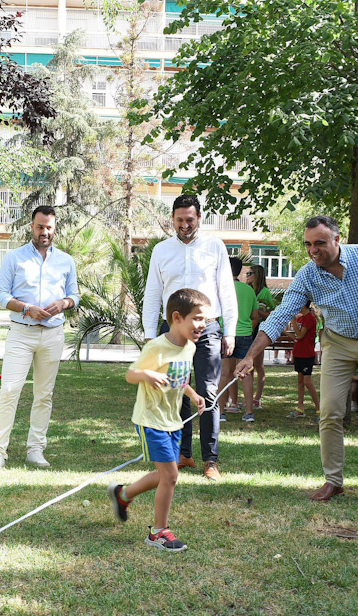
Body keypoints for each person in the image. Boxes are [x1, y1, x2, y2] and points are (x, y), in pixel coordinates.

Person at [234, 216, 358, 512]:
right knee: (329, 413)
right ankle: (334, 481)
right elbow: (281, 315)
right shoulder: (307, 275)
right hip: (337, 344)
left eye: (319, 243)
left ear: (337, 240)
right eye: (308, 244)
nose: (312, 250)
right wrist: (250, 355)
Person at [142, 194, 236, 481]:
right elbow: (153, 293)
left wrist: (230, 331)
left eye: (190, 219)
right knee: (176, 391)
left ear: (199, 219)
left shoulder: (215, 246)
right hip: (173, 332)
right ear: (172, 219)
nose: (185, 225)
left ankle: (210, 460)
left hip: (207, 329)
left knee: (208, 392)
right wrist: (149, 335)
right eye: (180, 220)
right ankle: (183, 454)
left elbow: (226, 290)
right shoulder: (161, 250)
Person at [107, 288, 209, 552]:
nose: (203, 324)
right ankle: (158, 532)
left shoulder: (190, 347)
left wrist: (193, 394)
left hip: (172, 420)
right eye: (197, 318)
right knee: (171, 475)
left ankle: (123, 494)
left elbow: (179, 379)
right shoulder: (156, 347)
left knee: (165, 474)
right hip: (151, 420)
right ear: (177, 318)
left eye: (205, 319)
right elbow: (131, 374)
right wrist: (147, 375)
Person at [0, 205, 80, 473]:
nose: (44, 232)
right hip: (21, 333)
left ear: (55, 229)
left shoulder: (66, 261)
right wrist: (27, 308)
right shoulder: (14, 257)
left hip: (53, 335)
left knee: (44, 395)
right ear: (31, 227)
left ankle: (35, 450)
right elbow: (0, 295)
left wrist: (63, 303)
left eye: (49, 227)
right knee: (9, 391)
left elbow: (75, 295)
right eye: (40, 227)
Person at [217, 257, 260, 422]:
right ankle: (249, 412)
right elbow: (255, 316)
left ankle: (220, 412)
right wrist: (248, 327)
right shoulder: (248, 290)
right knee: (246, 373)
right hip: (245, 334)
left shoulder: (221, 288)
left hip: (226, 334)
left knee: (224, 374)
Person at [286, 300, 320, 418]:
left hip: (307, 354)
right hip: (299, 353)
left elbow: (301, 335)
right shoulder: (300, 318)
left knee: (307, 381)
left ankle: (319, 408)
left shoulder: (309, 318)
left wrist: (293, 322)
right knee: (300, 381)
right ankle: (300, 408)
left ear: (304, 305)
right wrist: (284, 331)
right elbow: (297, 337)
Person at [248, 264, 275, 409]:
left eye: (250, 273)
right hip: (248, 329)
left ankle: (257, 398)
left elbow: (271, 314)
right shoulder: (248, 290)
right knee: (249, 366)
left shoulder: (264, 292)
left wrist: (258, 312)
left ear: (257, 275)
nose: (247, 276)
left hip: (259, 330)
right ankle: (249, 397)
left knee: (258, 364)